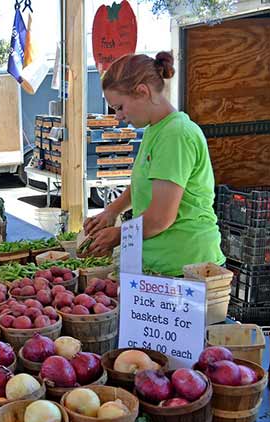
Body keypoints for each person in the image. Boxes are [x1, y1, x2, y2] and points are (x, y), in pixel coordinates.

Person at [83, 52, 224, 275]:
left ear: (142, 91)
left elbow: (159, 219)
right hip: (161, 262)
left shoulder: (176, 134)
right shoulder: (154, 130)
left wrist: (119, 235)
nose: (118, 117)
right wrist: (112, 211)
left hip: (185, 265)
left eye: (119, 107)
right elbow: (144, 184)